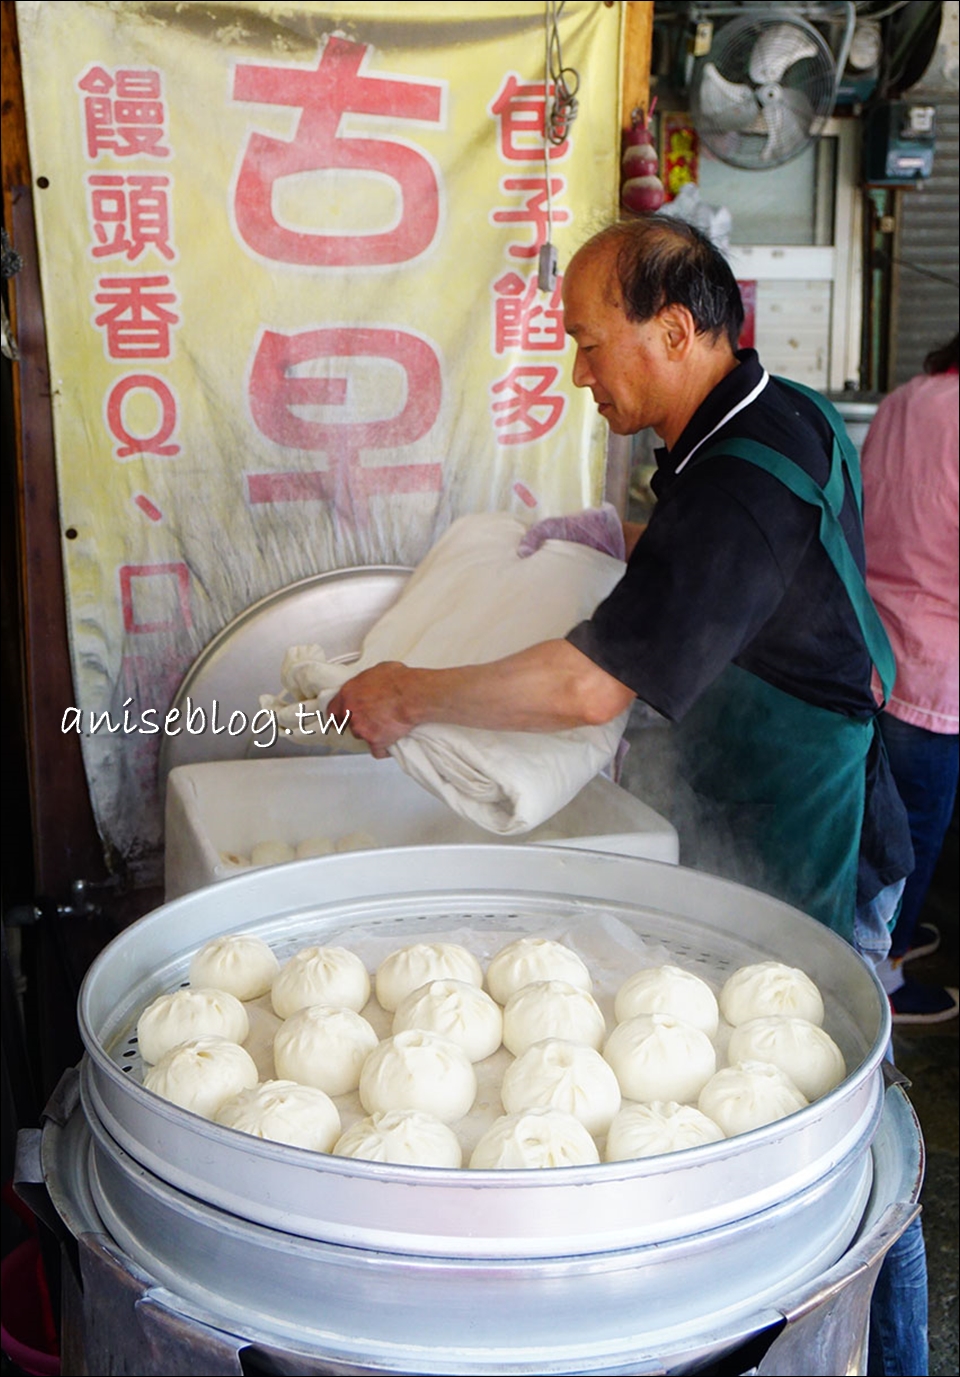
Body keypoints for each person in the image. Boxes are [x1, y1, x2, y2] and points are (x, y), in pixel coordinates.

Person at [331, 214, 924, 1375]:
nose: (579, 371)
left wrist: (410, 693)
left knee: (835, 1127)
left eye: (590, 345)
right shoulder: (770, 410)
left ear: (674, 329)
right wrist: (624, 538)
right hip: (746, 786)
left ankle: (878, 1355)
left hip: (808, 811)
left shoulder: (740, 481)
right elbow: (730, 570)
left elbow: (591, 688)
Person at [861, 333, 959, 1024]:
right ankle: (885, 974)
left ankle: (895, 931)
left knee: (881, 819)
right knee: (918, 830)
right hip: (935, 666)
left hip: (873, 644)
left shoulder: (904, 400)